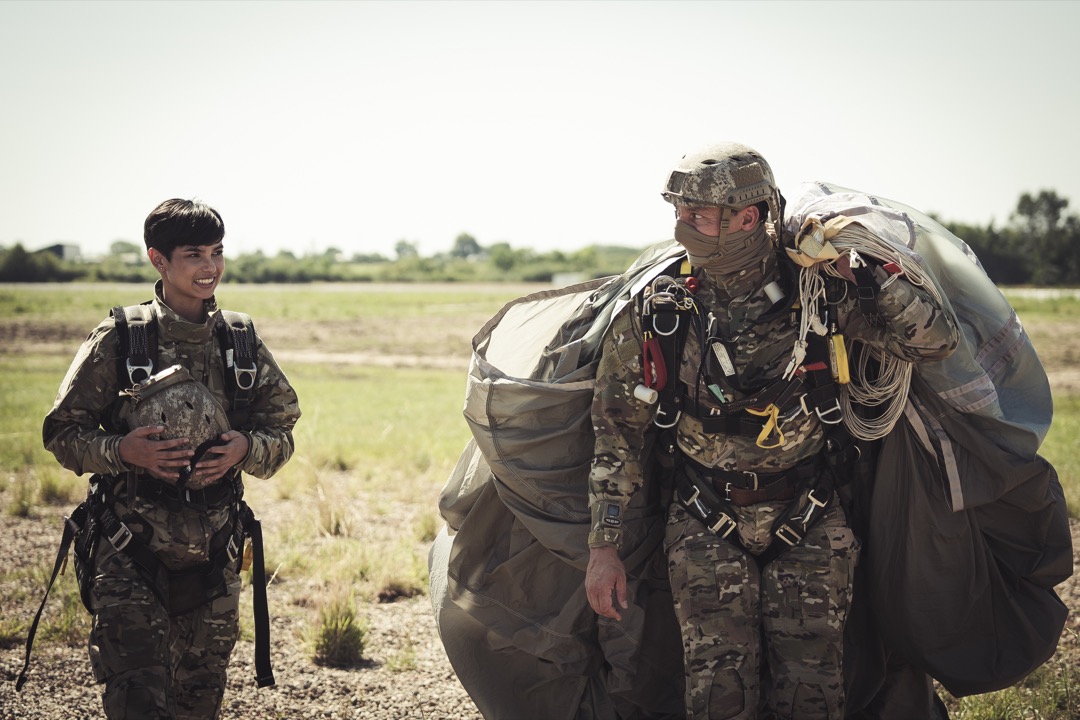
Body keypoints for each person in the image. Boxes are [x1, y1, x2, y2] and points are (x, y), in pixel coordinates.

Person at [584, 143, 960, 719]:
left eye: (699, 216)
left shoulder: (825, 293)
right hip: (704, 519)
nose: (683, 228)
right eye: (680, 213)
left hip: (811, 516)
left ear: (749, 217)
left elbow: (932, 343)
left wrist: (867, 273)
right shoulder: (660, 308)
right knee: (718, 697)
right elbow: (617, 433)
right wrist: (603, 547)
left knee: (813, 692)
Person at [42, 198, 301, 719]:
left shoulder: (240, 342)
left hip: (217, 556)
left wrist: (247, 448)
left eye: (217, 252)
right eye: (194, 255)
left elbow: (283, 430)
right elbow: (62, 432)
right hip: (130, 552)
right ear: (158, 260)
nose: (210, 267)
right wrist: (122, 450)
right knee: (137, 700)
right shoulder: (121, 339)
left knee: (199, 703)